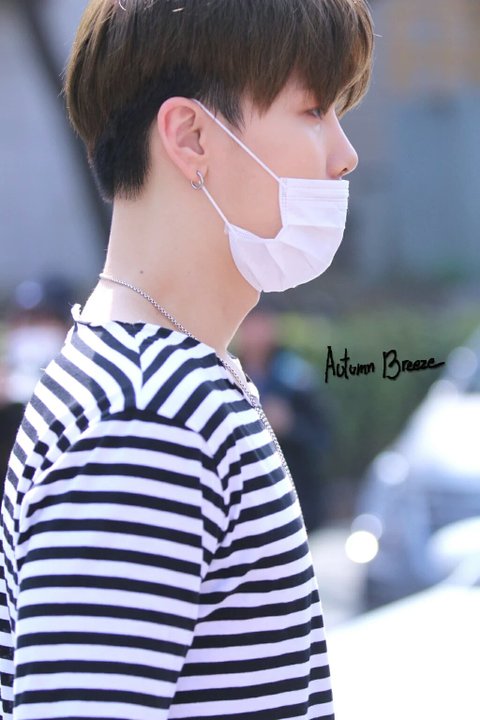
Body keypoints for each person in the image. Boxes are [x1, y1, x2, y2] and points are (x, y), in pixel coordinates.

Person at [0, 1, 374, 718]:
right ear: (191, 135)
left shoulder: (167, 386)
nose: (344, 152)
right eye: (314, 110)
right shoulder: (144, 419)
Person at [235, 309, 333, 532]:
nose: (255, 334)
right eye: (249, 325)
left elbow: (322, 438)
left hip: (294, 493)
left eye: (261, 324)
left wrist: (290, 425)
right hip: (247, 498)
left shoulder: (296, 378)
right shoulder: (228, 372)